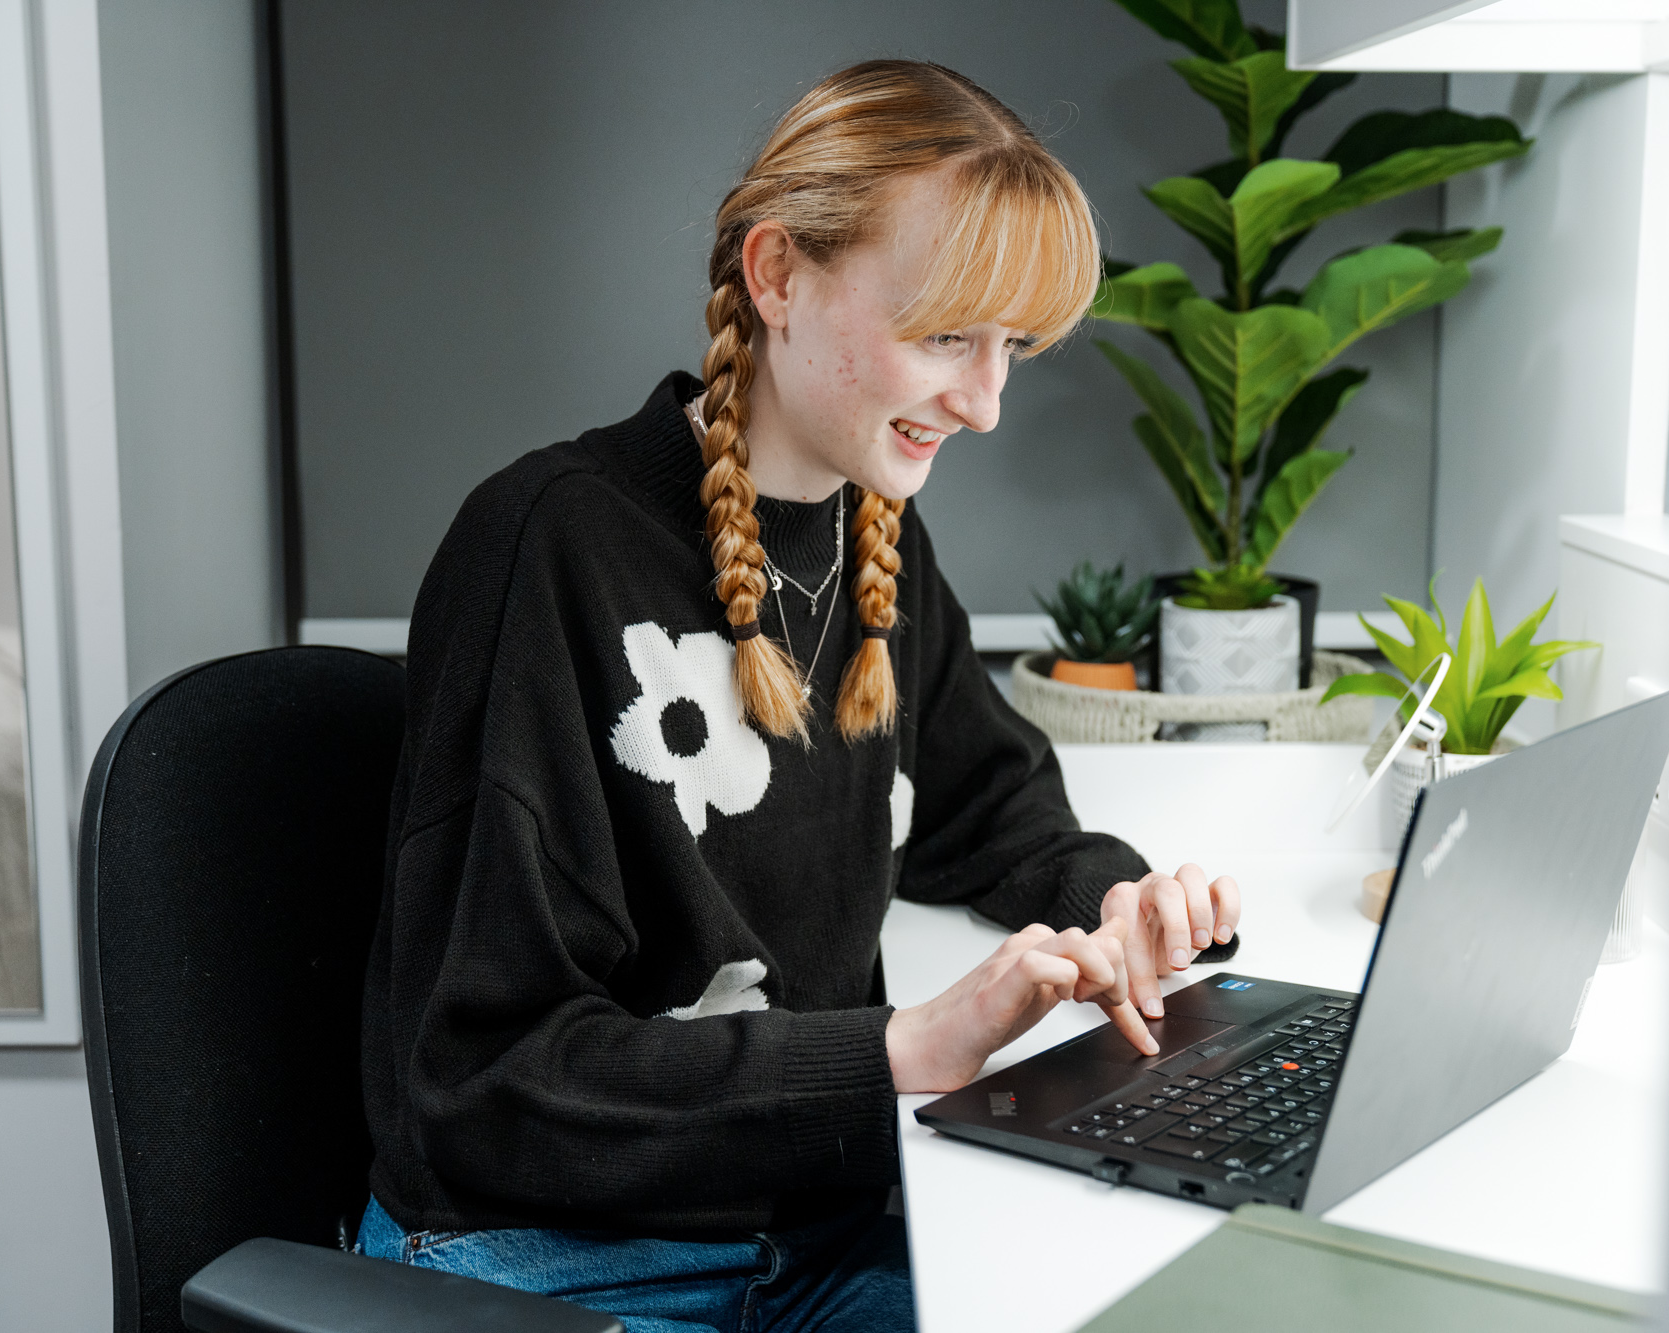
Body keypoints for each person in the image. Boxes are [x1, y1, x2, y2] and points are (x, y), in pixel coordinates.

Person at [358, 58, 1241, 1333]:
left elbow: (991, 815)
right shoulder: (543, 548)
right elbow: (488, 1078)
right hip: (556, 1258)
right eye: (945, 336)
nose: (984, 404)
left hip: (808, 1227)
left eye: (1011, 350)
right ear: (777, 276)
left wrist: (1120, 906)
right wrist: (904, 1047)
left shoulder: (875, 537)